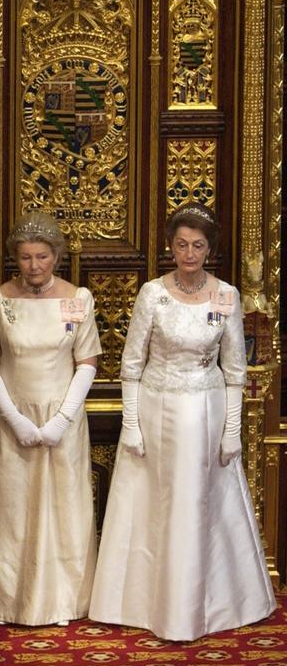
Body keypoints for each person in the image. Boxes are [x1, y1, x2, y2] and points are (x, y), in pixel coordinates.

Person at [89, 203, 275, 641]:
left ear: (209, 249)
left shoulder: (226, 295)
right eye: (181, 245)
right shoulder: (151, 293)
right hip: (155, 409)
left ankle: (197, 607)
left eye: (197, 246)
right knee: (151, 501)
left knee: (197, 503)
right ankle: (142, 603)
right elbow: (131, 364)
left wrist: (232, 431)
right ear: (170, 247)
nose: (188, 253)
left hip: (205, 412)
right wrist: (130, 423)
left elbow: (235, 369)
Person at [0, 212, 101, 626]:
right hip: (9, 421)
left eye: (42, 256)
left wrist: (62, 419)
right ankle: (1, 602)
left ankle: (61, 602)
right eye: (25, 258)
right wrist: (14, 418)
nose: (34, 266)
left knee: (62, 510)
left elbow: (87, 362)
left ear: (55, 256)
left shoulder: (78, 299)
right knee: (8, 512)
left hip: (63, 421)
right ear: (15, 259)